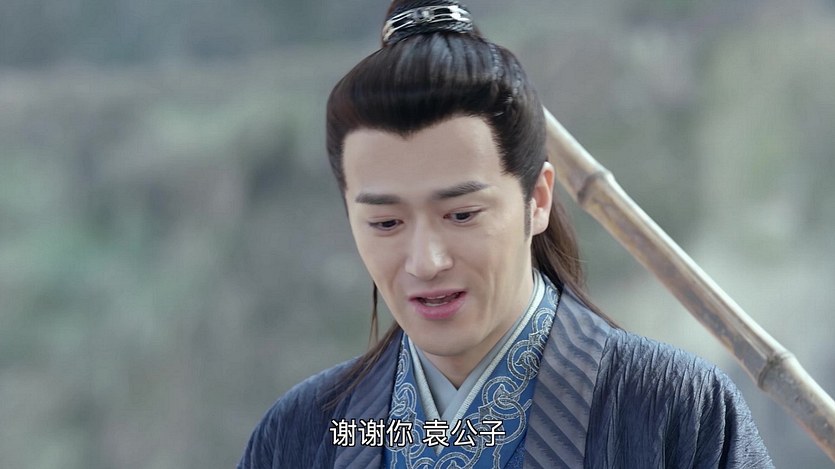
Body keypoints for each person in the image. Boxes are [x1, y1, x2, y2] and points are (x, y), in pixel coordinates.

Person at [238, 1, 774, 467]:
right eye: (386, 223)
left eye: (461, 214)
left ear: (537, 199)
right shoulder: (299, 435)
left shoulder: (676, 411)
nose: (425, 261)